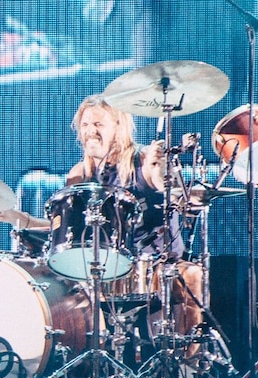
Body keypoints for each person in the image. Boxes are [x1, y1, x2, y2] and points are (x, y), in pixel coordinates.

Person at [65, 94, 204, 360]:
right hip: (104, 269)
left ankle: (189, 367)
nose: (90, 132)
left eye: (98, 125)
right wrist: (18, 220)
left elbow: (168, 187)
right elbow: (62, 230)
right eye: (84, 125)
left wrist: (162, 168)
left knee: (193, 276)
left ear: (119, 127)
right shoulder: (78, 174)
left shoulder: (142, 160)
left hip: (153, 266)